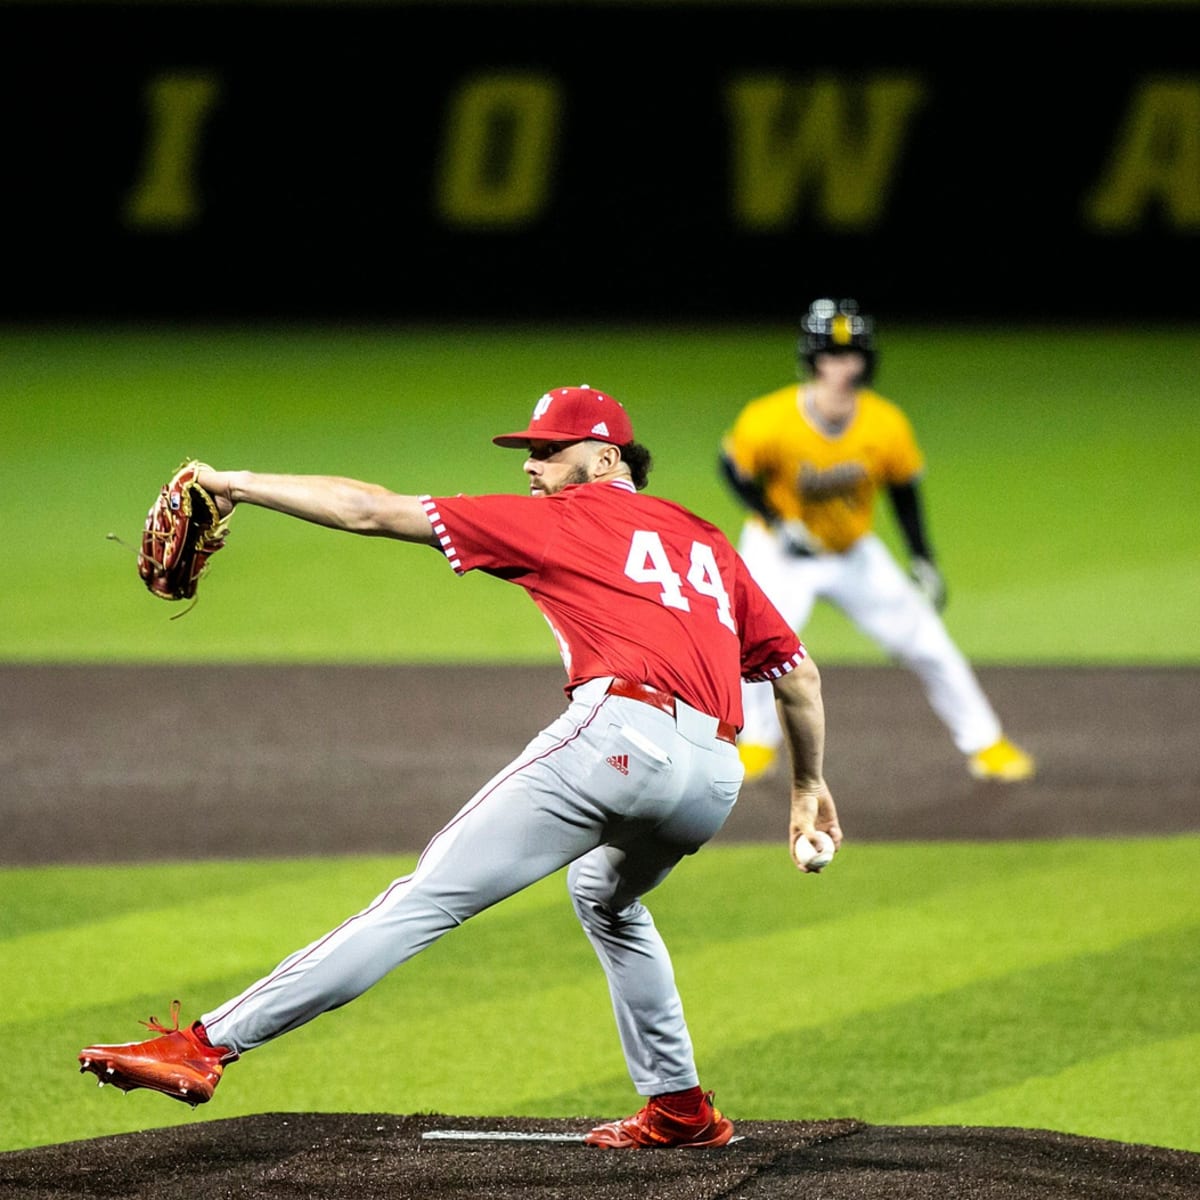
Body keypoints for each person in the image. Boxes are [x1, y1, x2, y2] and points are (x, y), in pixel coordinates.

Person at [78, 384, 841, 1150]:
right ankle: (680, 1110)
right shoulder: (706, 540)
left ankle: (204, 1047)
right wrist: (807, 786)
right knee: (607, 898)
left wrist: (231, 482)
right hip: (711, 777)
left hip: (620, 741)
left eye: (549, 451)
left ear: (606, 457)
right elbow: (798, 677)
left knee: (423, 899)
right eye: (530, 453)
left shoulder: (565, 517)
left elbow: (368, 509)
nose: (533, 467)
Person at [719, 299, 1035, 784]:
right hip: (780, 554)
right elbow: (734, 469)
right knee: (757, 649)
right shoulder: (770, 418)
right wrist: (777, 520)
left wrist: (923, 558)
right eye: (832, 355)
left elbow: (904, 491)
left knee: (928, 641)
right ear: (812, 360)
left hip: (852, 553)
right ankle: (757, 744)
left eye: (852, 356)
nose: (843, 367)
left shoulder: (885, 423)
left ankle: (986, 743)